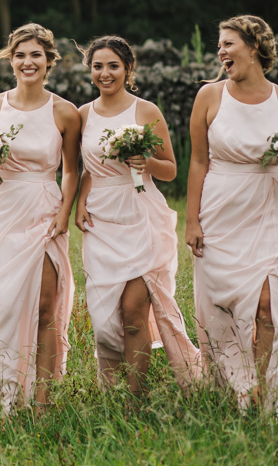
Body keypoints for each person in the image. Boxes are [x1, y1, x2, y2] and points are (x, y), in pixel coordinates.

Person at [187, 15, 278, 414]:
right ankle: (238, 387)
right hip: (219, 210)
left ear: (254, 46)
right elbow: (198, 162)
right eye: (219, 45)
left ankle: (263, 397)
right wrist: (191, 220)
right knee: (221, 309)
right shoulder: (209, 96)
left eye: (228, 43)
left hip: (270, 210)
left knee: (268, 306)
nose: (220, 51)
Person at [75, 36, 201, 397]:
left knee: (133, 314)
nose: (105, 73)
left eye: (113, 66)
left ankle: (136, 397)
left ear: (128, 68)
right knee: (103, 321)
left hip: (141, 213)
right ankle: (112, 388)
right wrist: (81, 201)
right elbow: (88, 168)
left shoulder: (146, 111)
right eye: (98, 66)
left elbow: (171, 169)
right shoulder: (83, 114)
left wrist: (146, 163)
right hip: (101, 220)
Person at [0, 24, 81, 415]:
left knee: (46, 307)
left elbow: (72, 170)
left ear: (49, 61)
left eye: (36, 55)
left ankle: (43, 401)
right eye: (20, 55)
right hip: (2, 209)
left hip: (45, 210)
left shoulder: (65, 112)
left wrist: (64, 214)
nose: (27, 62)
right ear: (10, 60)